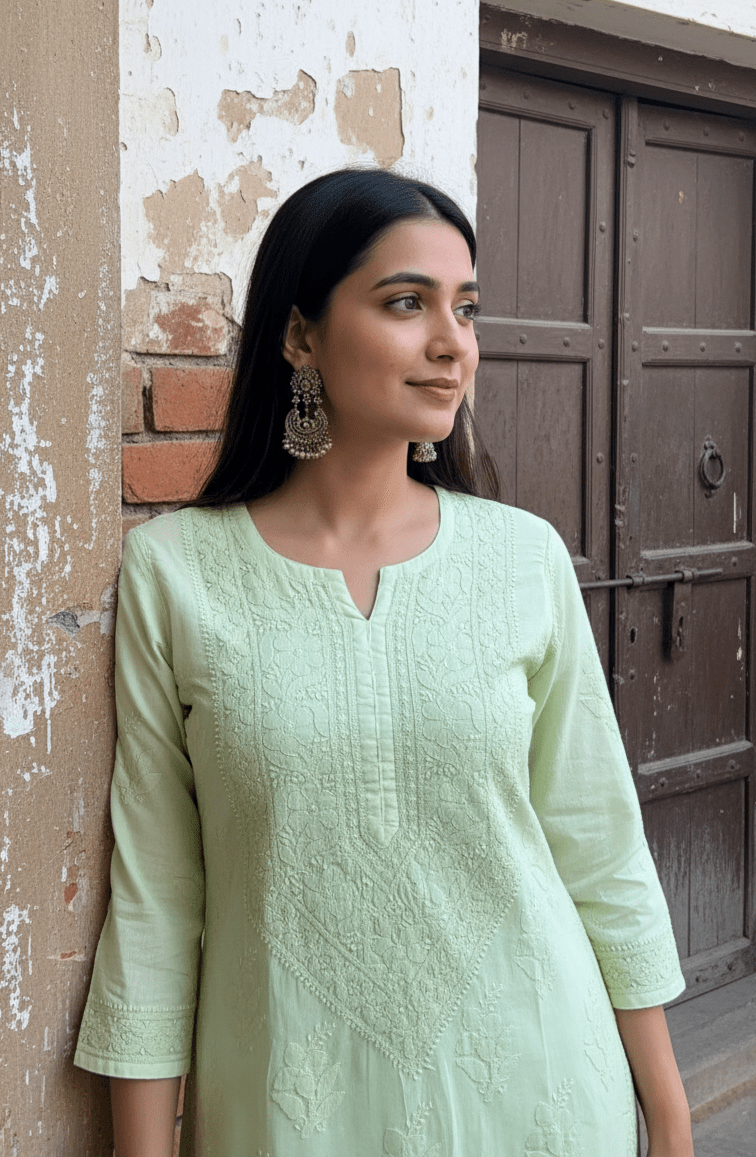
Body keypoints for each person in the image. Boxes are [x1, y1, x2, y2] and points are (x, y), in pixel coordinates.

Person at [75, 168, 694, 1157]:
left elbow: (599, 843)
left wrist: (667, 1114)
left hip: (541, 1094)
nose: (454, 344)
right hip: (289, 1109)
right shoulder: (175, 577)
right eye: (407, 303)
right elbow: (156, 899)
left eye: (467, 308)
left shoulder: (521, 557)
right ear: (300, 335)